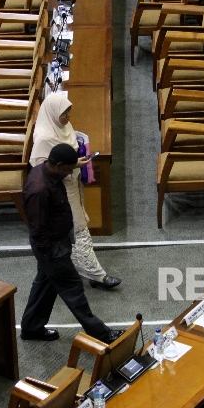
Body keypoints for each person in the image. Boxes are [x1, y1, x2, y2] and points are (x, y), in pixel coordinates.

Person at [20, 144, 124, 343]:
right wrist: (50, 257)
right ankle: (102, 335)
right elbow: (37, 228)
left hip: (56, 243)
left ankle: (31, 328)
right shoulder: (39, 189)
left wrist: (77, 163)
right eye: (68, 169)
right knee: (74, 290)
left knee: (45, 286)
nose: (70, 173)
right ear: (58, 165)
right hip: (51, 248)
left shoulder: (46, 169)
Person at [29, 93, 121, 290]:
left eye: (69, 111)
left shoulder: (62, 127)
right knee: (78, 230)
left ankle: (71, 270)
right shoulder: (44, 138)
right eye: (64, 113)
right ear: (54, 114)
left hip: (72, 184)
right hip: (59, 192)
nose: (68, 116)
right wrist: (74, 163)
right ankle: (97, 275)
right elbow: (41, 170)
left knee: (74, 230)